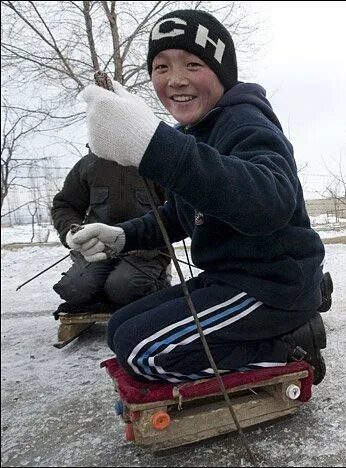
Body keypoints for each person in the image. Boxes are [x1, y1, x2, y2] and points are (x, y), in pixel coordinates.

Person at [69, 9, 329, 384]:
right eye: (161, 67)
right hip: (226, 278)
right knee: (119, 328)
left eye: (192, 64)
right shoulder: (194, 134)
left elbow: (270, 203)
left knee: (144, 354)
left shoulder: (246, 122)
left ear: (221, 72)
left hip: (271, 286)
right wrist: (123, 236)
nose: (175, 80)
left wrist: (156, 147)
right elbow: (180, 214)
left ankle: (291, 345)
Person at [51, 154, 171, 306]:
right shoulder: (89, 164)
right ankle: (108, 293)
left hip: (144, 251)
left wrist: (152, 243)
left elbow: (175, 209)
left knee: (123, 287)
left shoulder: (153, 161)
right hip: (98, 250)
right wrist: (71, 232)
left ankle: (158, 284)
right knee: (75, 288)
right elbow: (65, 205)